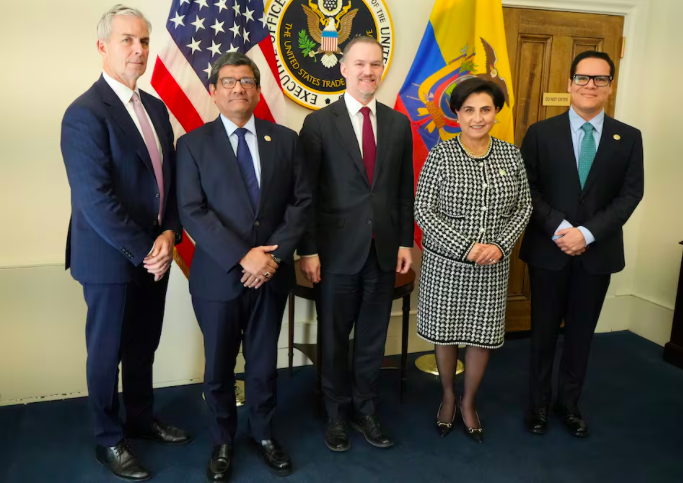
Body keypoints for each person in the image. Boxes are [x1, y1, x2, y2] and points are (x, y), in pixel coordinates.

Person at [61, 5, 188, 481]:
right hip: (109, 259)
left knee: (142, 345)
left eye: (144, 41)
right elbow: (95, 200)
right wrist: (148, 249)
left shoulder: (154, 108)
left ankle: (140, 419)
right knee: (107, 351)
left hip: (155, 254)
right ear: (103, 46)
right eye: (127, 40)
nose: (138, 50)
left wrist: (170, 233)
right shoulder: (84, 114)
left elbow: (168, 184)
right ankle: (107, 439)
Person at [176, 52, 311, 481]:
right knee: (218, 366)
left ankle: (264, 434)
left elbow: (302, 203)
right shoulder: (192, 145)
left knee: (263, 362)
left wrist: (272, 257)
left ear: (257, 89)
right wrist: (242, 255)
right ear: (213, 92)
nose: (239, 88)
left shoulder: (285, 140)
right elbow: (192, 210)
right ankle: (222, 440)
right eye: (229, 81)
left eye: (247, 81)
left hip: (271, 275)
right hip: (218, 277)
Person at [298, 36, 414, 452]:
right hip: (335, 255)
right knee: (333, 339)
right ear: (343, 69)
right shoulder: (318, 124)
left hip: (383, 253)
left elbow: (404, 190)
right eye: (360, 64)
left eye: (375, 64)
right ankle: (335, 413)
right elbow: (306, 194)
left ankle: (366, 410)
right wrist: (308, 249)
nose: (368, 71)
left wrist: (405, 242)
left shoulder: (398, 124)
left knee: (371, 338)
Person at [520, 51, 644, 438]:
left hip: (597, 253)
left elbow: (630, 194)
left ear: (610, 87)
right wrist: (561, 229)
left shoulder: (629, 137)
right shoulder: (540, 133)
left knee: (580, 334)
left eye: (600, 79)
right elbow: (528, 189)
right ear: (570, 83)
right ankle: (538, 405)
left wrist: (587, 233)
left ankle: (569, 404)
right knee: (542, 333)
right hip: (549, 250)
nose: (591, 85)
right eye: (583, 77)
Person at [414, 77, 532, 443]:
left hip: (492, 265)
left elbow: (524, 207)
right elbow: (423, 210)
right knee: (446, 333)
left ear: (496, 113)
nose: (477, 118)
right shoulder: (441, 154)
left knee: (482, 336)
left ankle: (468, 402)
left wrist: (500, 245)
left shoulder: (511, 155)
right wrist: (466, 247)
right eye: (469, 110)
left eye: (485, 109)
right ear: (456, 114)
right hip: (447, 265)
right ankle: (449, 396)